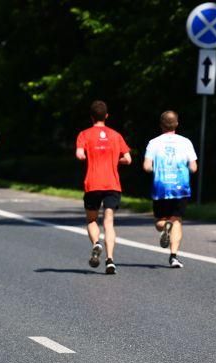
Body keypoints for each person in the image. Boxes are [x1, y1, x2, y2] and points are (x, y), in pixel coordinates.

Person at [75, 100, 131, 274]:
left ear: (91, 117)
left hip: (93, 183)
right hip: (112, 184)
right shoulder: (116, 135)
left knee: (92, 220)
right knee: (109, 222)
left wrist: (90, 155)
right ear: (106, 116)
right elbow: (128, 159)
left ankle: (96, 243)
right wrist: (114, 160)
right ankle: (110, 260)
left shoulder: (84, 134)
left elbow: (80, 155)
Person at [143, 110, 197, 268]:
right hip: (180, 187)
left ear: (161, 125)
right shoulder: (186, 142)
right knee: (177, 219)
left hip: (161, 187)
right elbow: (193, 167)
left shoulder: (154, 143)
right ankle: (173, 257)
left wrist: (158, 169)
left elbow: (147, 166)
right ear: (177, 124)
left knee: (159, 221)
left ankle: (165, 226)